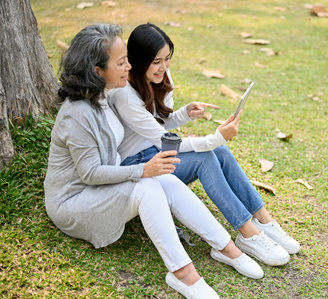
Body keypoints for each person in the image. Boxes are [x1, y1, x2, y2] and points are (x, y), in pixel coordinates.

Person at [44, 24, 264, 299]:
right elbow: (89, 174)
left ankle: (226, 247)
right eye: (122, 62)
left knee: (165, 179)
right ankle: (182, 272)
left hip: (102, 189)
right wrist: (143, 170)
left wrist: (178, 118)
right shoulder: (77, 114)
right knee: (149, 184)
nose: (129, 66)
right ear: (97, 71)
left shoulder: (105, 97)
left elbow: (150, 124)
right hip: (74, 202)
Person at [109, 23, 301, 268]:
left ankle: (263, 219)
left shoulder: (158, 76)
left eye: (167, 59)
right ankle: (248, 233)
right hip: (139, 166)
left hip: (158, 153)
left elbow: (160, 122)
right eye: (156, 61)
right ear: (138, 60)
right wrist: (216, 137)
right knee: (206, 155)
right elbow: (163, 139)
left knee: (218, 151)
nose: (164, 67)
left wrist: (185, 113)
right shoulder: (124, 95)